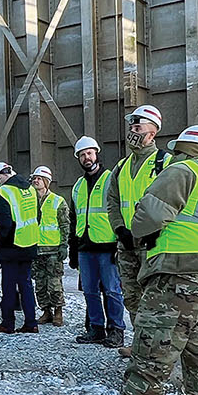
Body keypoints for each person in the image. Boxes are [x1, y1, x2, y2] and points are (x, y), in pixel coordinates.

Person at [93, 125, 198, 395]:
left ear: (185, 148)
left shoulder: (183, 170)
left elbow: (148, 215)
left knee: (153, 344)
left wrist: (140, 239)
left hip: (178, 273)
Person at [107, 105, 167, 354]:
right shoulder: (121, 166)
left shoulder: (165, 162)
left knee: (156, 297)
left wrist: (153, 230)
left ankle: (159, 347)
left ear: (152, 133)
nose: (132, 131)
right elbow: (112, 201)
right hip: (127, 243)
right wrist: (120, 229)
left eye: (138, 127)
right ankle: (140, 344)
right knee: (132, 296)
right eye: (131, 127)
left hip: (154, 243)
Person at [70, 135, 125, 347]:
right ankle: (96, 328)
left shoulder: (111, 179)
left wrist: (119, 243)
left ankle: (116, 329)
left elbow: (118, 210)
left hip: (107, 246)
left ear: (96, 153)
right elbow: (75, 218)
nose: (86, 157)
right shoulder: (78, 186)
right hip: (85, 247)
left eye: (89, 153)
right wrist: (73, 250)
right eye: (82, 155)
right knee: (90, 291)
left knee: (112, 290)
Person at [0, 162, 41, 334]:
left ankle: (7, 323)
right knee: (26, 284)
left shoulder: (3, 193)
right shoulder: (30, 189)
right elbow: (37, 215)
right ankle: (31, 322)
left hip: (11, 247)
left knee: (9, 287)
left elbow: (3, 224)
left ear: (0, 176)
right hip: (29, 244)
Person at [31, 165, 70, 325]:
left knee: (54, 283)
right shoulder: (29, 201)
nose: (36, 181)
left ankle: (58, 311)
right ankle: (46, 311)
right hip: (36, 248)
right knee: (40, 283)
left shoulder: (57, 201)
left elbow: (65, 224)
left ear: (47, 181)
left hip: (53, 249)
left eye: (39, 178)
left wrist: (64, 245)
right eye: (34, 178)